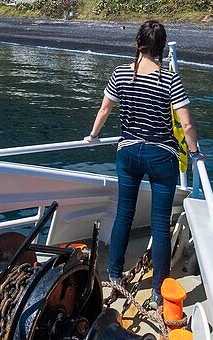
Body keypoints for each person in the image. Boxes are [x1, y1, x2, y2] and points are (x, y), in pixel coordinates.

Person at [84, 19, 201, 310]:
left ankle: (113, 274)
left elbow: (104, 109)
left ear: (138, 43)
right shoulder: (169, 78)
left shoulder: (120, 74)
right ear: (161, 48)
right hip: (161, 155)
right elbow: (186, 124)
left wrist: (93, 136)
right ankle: (157, 293)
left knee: (124, 214)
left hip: (128, 152)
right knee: (160, 226)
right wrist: (195, 151)